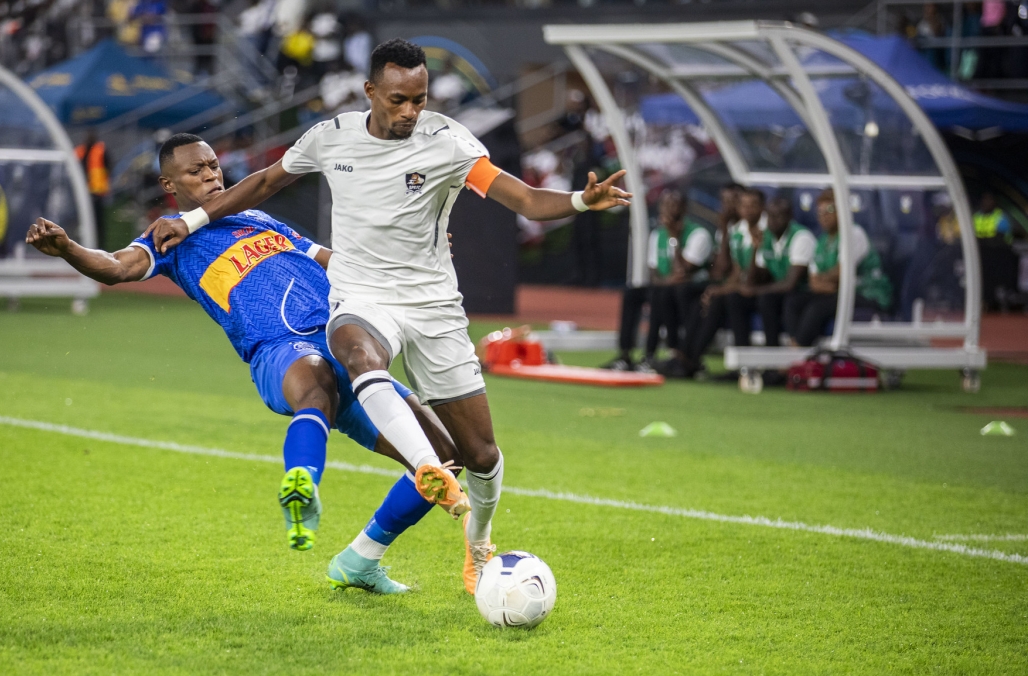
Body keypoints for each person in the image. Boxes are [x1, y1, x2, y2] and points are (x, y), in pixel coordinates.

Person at [145, 39, 631, 594]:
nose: (410, 111)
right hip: (362, 295)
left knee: (481, 455)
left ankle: (472, 545)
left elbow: (519, 198)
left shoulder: (448, 141)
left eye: (419, 99)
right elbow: (262, 183)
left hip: (433, 307)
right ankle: (425, 466)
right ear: (371, 92)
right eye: (399, 99)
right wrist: (192, 221)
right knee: (355, 349)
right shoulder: (331, 138)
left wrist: (577, 202)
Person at [27, 133, 467, 595]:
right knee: (315, 382)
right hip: (278, 349)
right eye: (195, 170)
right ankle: (304, 484)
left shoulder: (257, 217)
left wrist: (414, 257)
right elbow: (116, 267)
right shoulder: (169, 235)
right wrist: (69, 249)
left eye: (213, 165)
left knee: (445, 456)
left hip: (346, 342)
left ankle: (360, 559)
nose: (211, 174)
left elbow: (337, 261)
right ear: (169, 182)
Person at [663, 187, 761, 378]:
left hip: (758, 288)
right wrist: (724, 230)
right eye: (724, 201)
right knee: (692, 296)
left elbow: (736, 273)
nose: (727, 206)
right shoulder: (733, 230)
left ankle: (691, 359)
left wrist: (722, 289)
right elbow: (721, 270)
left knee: (720, 299)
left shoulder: (757, 231)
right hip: (735, 285)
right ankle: (684, 355)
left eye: (733, 200)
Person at [785, 189, 892, 347]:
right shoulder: (821, 242)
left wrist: (828, 280)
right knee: (793, 302)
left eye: (829, 210)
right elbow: (814, 281)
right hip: (836, 293)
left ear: (841, 210)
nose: (824, 215)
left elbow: (843, 272)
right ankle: (795, 349)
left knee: (816, 308)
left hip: (867, 293)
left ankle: (798, 357)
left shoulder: (854, 233)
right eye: (820, 211)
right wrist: (829, 283)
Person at [643, 189, 713, 373]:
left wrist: (674, 239)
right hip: (668, 287)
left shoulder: (699, 234)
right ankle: (643, 355)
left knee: (670, 293)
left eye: (673, 205)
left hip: (695, 288)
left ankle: (678, 352)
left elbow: (682, 271)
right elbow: (653, 272)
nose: (668, 209)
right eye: (665, 205)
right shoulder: (657, 234)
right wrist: (665, 281)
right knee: (634, 293)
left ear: (684, 209)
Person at [744, 196, 817, 347]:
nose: (773, 220)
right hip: (778, 291)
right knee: (735, 299)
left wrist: (755, 290)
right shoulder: (766, 237)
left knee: (768, 299)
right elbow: (754, 279)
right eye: (770, 216)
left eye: (778, 216)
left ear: (790, 217)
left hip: (803, 292)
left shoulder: (801, 237)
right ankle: (743, 360)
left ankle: (773, 353)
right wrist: (755, 249)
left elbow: (790, 284)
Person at [75, 131, 110, 249]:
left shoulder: (101, 150)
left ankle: (99, 246)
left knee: (98, 220)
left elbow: (108, 166)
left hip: (97, 190)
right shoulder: (81, 150)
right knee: (82, 218)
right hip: (82, 190)